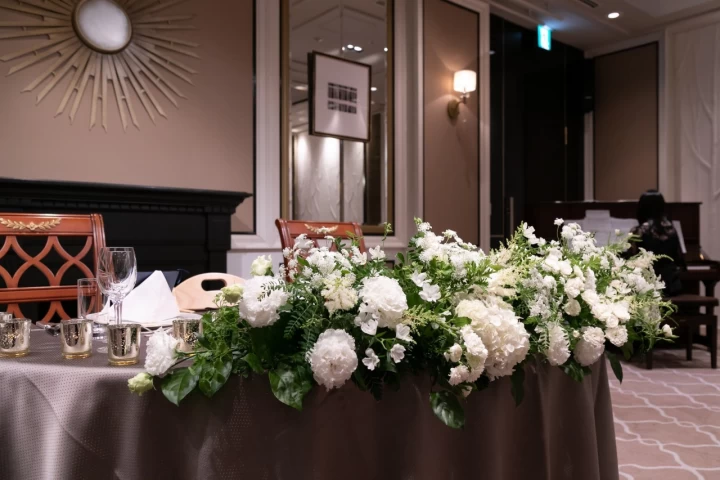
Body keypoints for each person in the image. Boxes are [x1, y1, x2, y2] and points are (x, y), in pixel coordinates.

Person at [628, 190, 685, 296]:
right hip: (671, 286)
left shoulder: (638, 231)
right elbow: (680, 260)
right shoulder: (671, 230)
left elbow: (630, 259)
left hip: (647, 286)